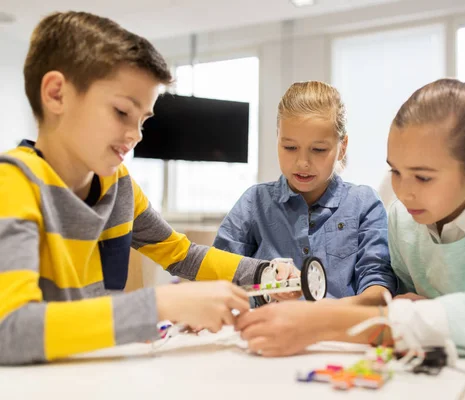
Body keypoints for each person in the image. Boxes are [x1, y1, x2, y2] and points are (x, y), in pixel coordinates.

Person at [0, 11, 297, 365]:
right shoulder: (14, 183)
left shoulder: (119, 186)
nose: (136, 135)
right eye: (122, 112)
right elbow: (11, 331)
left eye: (143, 120)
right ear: (56, 94)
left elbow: (181, 255)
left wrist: (262, 273)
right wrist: (162, 304)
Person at [235, 78, 465, 357]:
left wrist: (324, 320)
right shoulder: (402, 220)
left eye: (422, 177)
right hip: (451, 360)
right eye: (395, 172)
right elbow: (405, 307)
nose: (404, 193)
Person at [214, 81, 397, 305]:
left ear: (343, 147)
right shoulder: (254, 203)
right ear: (277, 139)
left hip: (338, 333)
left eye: (318, 150)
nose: (302, 162)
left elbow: (379, 287)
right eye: (290, 147)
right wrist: (265, 286)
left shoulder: (364, 204)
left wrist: (323, 315)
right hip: (265, 331)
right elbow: (218, 279)